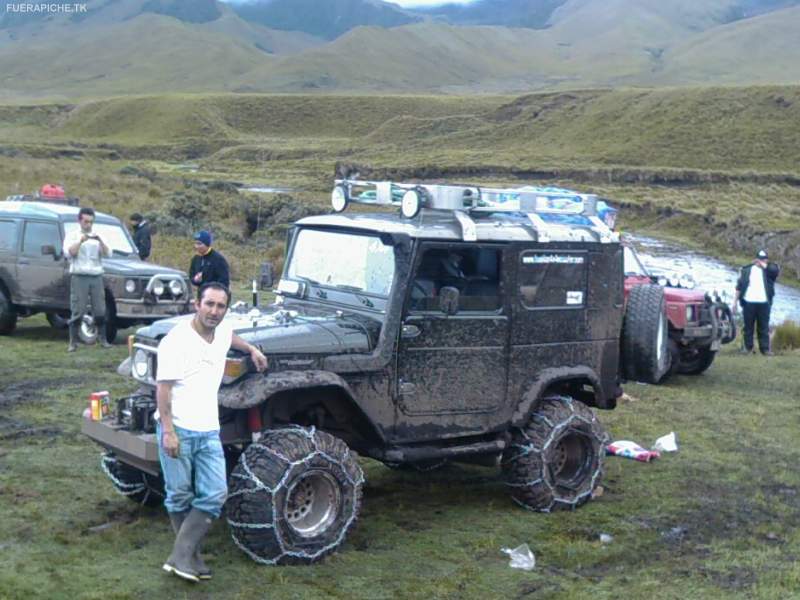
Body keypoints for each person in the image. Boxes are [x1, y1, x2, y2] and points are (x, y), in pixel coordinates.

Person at [156, 282, 267, 582]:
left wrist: (252, 349)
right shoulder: (176, 341)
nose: (214, 311)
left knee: (216, 493)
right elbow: (163, 389)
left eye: (220, 306)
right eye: (209, 304)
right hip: (178, 426)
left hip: (208, 430)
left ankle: (180, 557)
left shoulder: (222, 332)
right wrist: (168, 431)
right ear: (196, 304)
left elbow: (231, 336)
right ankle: (190, 557)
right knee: (179, 495)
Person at [62, 207, 112, 352]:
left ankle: (103, 339)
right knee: (78, 309)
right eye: (85, 221)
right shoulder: (72, 235)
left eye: (91, 222)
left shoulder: (98, 236)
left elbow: (108, 254)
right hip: (79, 275)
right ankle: (73, 342)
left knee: (100, 309)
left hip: (96, 275)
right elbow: (69, 253)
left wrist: (100, 241)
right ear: (80, 221)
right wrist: (81, 241)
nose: (88, 225)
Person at [734, 249, 780, 356]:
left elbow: (775, 272)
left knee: (763, 327)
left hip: (764, 303)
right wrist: (734, 302)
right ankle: (747, 348)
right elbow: (739, 286)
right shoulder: (746, 270)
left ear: (767, 260)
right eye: (759, 259)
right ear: (756, 259)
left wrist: (764, 265)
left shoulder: (770, 270)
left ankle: (765, 349)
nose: (761, 261)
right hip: (749, 302)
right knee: (748, 327)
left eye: (764, 260)